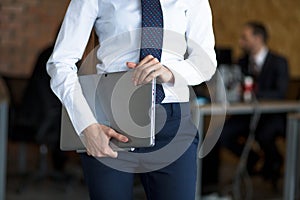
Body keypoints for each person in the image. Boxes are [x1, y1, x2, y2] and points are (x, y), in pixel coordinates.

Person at [47, 0, 217, 199]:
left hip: (173, 123)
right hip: (109, 123)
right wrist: (86, 125)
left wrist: (170, 72)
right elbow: (60, 63)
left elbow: (205, 61)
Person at [219, 21, 289, 188]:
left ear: (258, 38)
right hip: (247, 116)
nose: (240, 42)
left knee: (266, 133)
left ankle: (274, 163)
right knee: (223, 134)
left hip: (271, 117)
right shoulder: (241, 63)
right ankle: (253, 159)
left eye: (245, 38)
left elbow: (280, 93)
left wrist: (253, 94)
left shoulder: (279, 62)